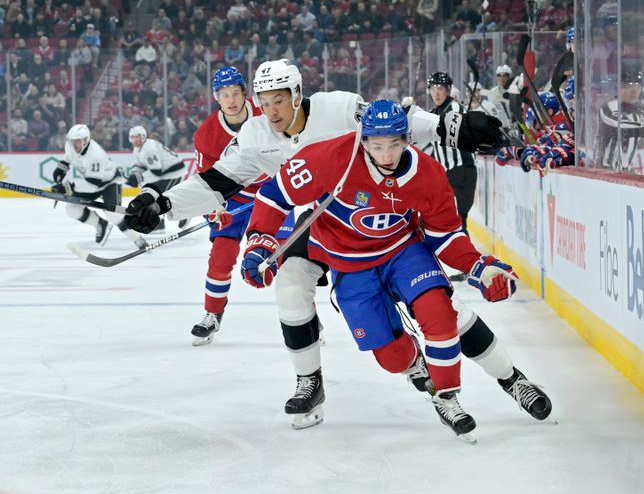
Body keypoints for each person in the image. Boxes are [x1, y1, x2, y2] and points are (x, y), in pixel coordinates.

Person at [123, 59, 549, 430]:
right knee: (289, 289)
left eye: (279, 99)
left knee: (444, 313)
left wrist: (445, 127)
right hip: (313, 226)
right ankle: (311, 383)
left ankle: (513, 379)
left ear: (297, 93)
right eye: (264, 101)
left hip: (376, 224)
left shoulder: (339, 108)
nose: (271, 111)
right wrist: (162, 203)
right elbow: (216, 182)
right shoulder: (254, 136)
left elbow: (393, 122)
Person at [240, 99, 520, 441]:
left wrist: (479, 267)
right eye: (377, 146)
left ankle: (469, 391)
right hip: (347, 260)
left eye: (394, 145)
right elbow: (275, 192)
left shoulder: (426, 173)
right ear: (363, 140)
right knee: (389, 357)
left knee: (442, 312)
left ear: (406, 140)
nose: (386, 155)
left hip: (402, 251)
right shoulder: (330, 158)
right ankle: (411, 363)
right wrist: (259, 240)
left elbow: (446, 235)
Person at [189, 66, 265, 346]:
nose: (231, 100)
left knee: (283, 260)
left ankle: (307, 318)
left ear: (246, 94)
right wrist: (215, 206)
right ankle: (212, 314)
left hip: (272, 195)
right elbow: (207, 181)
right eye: (224, 95)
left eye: (236, 93)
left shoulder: (266, 114)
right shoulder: (207, 134)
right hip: (233, 198)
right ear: (215, 97)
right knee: (221, 256)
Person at [52, 124, 146, 249]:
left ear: (85, 140)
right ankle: (100, 224)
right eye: (72, 141)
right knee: (72, 209)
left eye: (77, 142)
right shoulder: (70, 146)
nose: (74, 145)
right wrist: (60, 172)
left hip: (109, 183)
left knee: (113, 215)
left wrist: (68, 188)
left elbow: (92, 185)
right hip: (92, 182)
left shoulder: (95, 154)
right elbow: (67, 159)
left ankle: (138, 240)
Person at [421, 72, 478, 256]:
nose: (436, 93)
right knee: (450, 218)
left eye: (440, 89)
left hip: (462, 170)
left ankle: (468, 262)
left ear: (448, 91)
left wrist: (417, 117)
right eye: (433, 88)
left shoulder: (454, 108)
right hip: (447, 174)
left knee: (458, 218)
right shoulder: (432, 113)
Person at [594, 68, 644, 171]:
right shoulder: (609, 107)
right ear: (619, 88)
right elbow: (624, 125)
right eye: (629, 86)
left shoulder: (638, 113)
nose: (634, 91)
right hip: (604, 170)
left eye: (638, 86)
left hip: (626, 171)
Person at [127, 125, 188, 232]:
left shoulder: (149, 148)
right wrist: (134, 173)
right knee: (156, 196)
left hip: (174, 171)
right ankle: (160, 222)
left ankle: (185, 214)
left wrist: (139, 178)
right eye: (133, 137)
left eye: (137, 137)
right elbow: (142, 166)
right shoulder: (138, 149)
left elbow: (157, 172)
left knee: (164, 196)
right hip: (166, 172)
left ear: (143, 136)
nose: (135, 139)